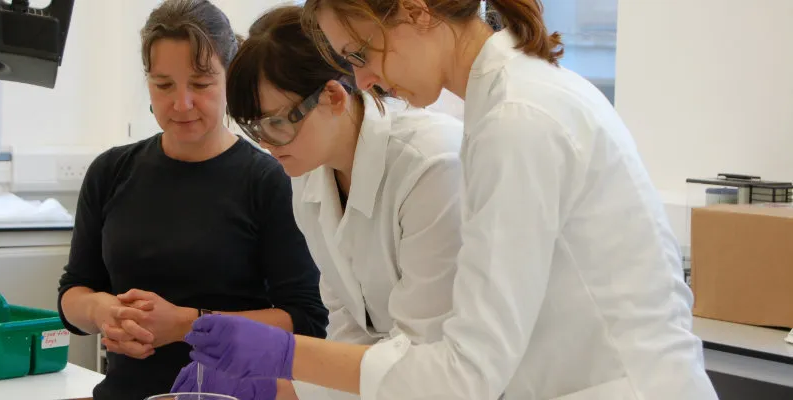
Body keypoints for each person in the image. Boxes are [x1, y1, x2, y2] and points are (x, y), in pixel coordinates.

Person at [183, 1, 721, 399]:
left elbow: (466, 373)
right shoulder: (505, 107)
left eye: (359, 53)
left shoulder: (516, 122)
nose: (363, 77)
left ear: (416, 12)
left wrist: (286, 361)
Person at [172, 5, 464, 399]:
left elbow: (425, 355)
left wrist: (282, 370)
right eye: (253, 127)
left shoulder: (431, 166)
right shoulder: (309, 172)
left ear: (332, 96)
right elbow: (350, 329)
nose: (265, 143)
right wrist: (281, 391)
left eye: (276, 124)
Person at [55, 1, 328, 399]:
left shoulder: (269, 180)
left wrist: (188, 324)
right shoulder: (110, 172)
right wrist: (102, 311)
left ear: (231, 79)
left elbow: (304, 320)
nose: (181, 104)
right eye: (163, 85)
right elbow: (73, 293)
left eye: (201, 84)